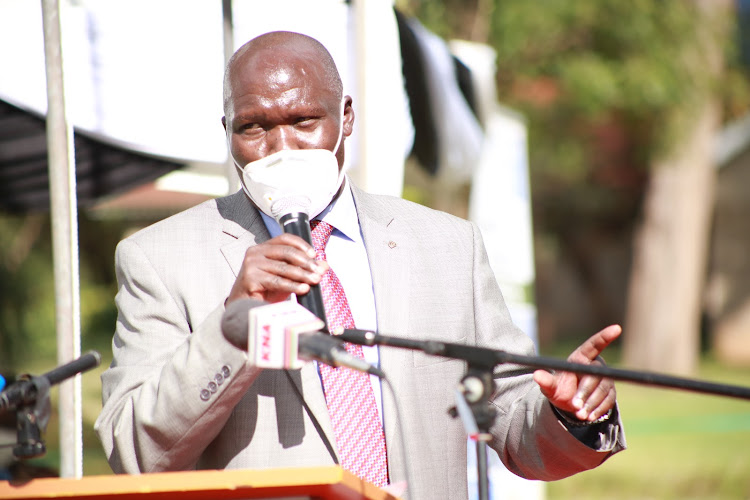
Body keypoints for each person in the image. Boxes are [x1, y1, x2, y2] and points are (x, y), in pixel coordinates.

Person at [95, 31, 626, 499]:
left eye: (304, 121)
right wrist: (233, 325)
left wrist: (571, 413)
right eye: (253, 128)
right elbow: (137, 453)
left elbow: (511, 419)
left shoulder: (446, 245)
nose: (281, 148)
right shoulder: (159, 258)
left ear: (346, 116)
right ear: (227, 128)